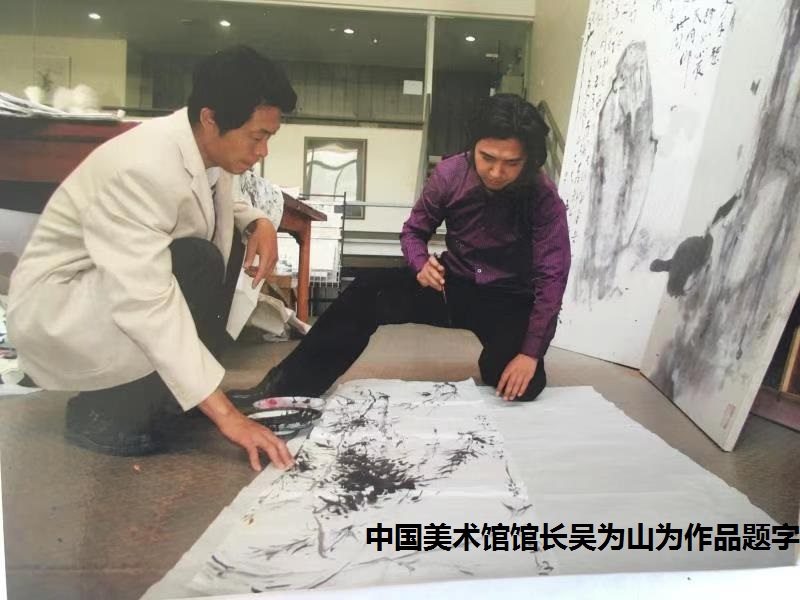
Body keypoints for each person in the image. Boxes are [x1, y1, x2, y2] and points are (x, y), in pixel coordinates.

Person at [7, 45, 296, 471]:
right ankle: (102, 411)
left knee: (218, 251)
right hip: (60, 307)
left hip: (113, 289)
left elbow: (208, 199)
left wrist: (259, 222)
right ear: (210, 119)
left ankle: (173, 398)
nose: (263, 151)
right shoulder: (141, 166)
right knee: (195, 261)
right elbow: (146, 302)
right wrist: (228, 417)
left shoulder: (201, 148)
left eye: (269, 138)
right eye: (257, 137)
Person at [228, 93, 571, 405]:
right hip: (450, 285)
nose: (496, 172)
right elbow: (413, 232)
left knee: (522, 385)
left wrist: (529, 354)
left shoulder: (543, 197)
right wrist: (420, 263)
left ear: (528, 161)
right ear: (473, 147)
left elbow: (552, 278)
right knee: (366, 291)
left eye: (511, 163)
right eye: (487, 158)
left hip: (509, 297)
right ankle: (287, 384)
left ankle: (497, 357)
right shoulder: (450, 175)